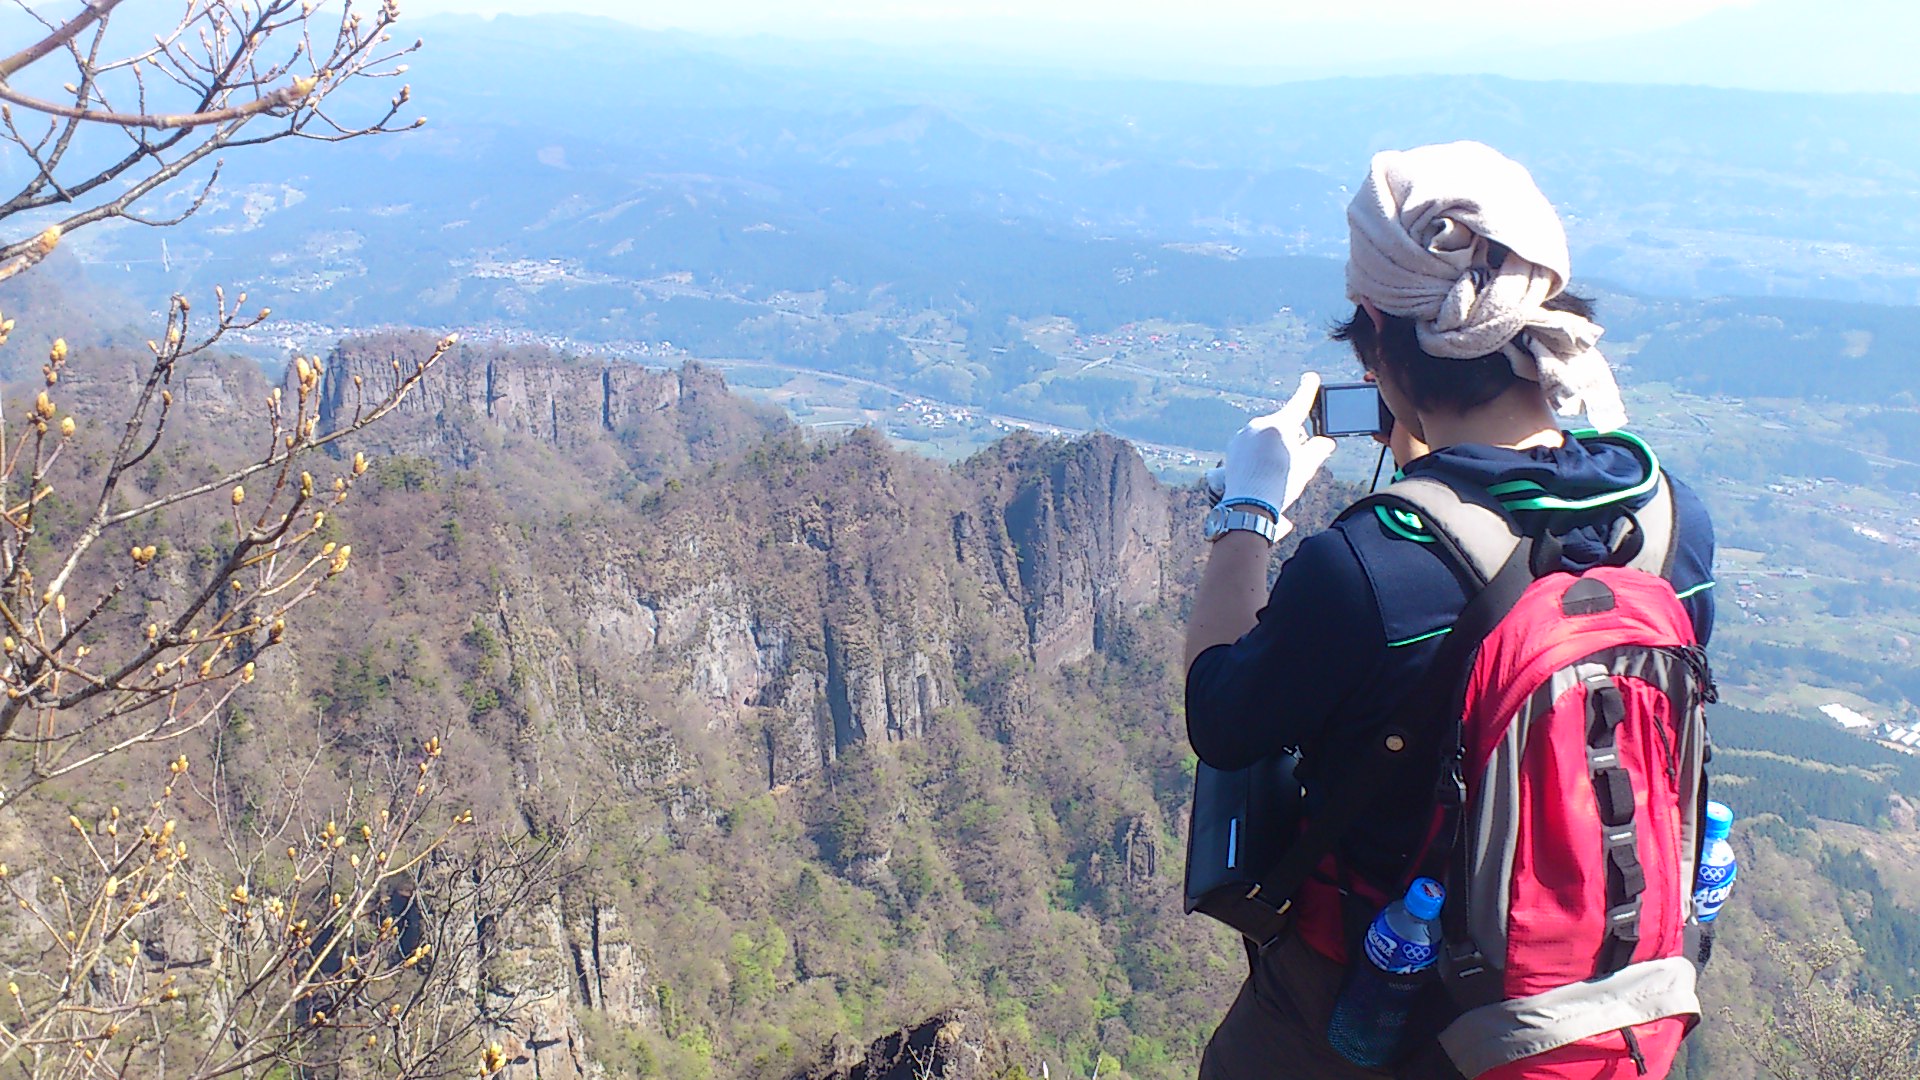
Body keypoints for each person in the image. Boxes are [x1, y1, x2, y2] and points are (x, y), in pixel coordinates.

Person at [1184, 141, 1716, 1079]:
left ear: (1378, 336)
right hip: (1588, 1004)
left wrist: (1249, 508)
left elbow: (1221, 715)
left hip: (1362, 1004)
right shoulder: (1667, 518)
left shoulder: (1370, 565)